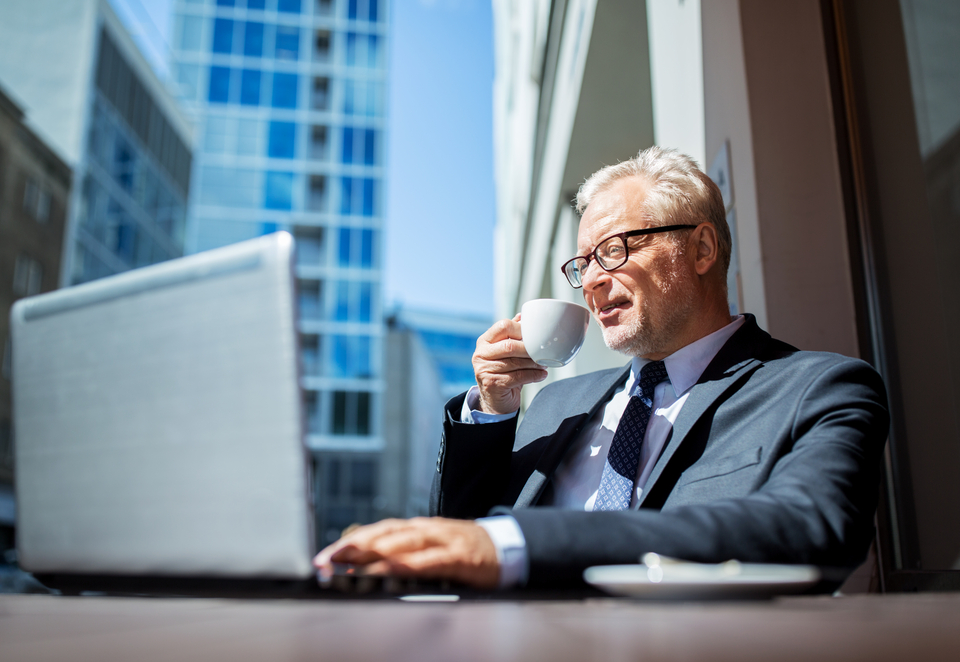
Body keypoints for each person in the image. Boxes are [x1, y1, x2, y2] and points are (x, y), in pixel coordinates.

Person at [313, 147, 889, 591]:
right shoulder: (560, 404)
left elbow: (812, 529)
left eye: (614, 250)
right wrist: (491, 411)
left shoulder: (819, 389)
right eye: (582, 263)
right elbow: (462, 538)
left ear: (702, 249)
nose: (590, 280)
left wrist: (523, 545)